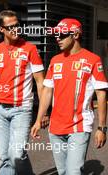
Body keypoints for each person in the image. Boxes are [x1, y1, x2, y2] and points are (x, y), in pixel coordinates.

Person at [31, 18, 108, 175]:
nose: (57, 38)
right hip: (55, 128)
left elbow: (101, 94)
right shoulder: (55, 60)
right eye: (56, 35)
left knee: (73, 172)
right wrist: (38, 120)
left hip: (79, 127)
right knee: (63, 171)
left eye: (62, 34)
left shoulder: (93, 60)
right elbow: (46, 91)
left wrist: (102, 128)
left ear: (76, 34)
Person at [0, 10, 45, 175]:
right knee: (4, 157)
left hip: (21, 110)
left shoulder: (30, 49)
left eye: (17, 25)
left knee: (17, 155)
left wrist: (43, 113)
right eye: (10, 27)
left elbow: (40, 83)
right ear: (1, 29)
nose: (15, 30)